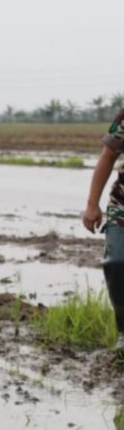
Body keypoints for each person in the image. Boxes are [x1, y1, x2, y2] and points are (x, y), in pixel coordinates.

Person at [82, 108, 124, 353]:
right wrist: (92, 204)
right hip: (122, 206)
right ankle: (123, 331)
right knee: (117, 262)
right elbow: (108, 157)